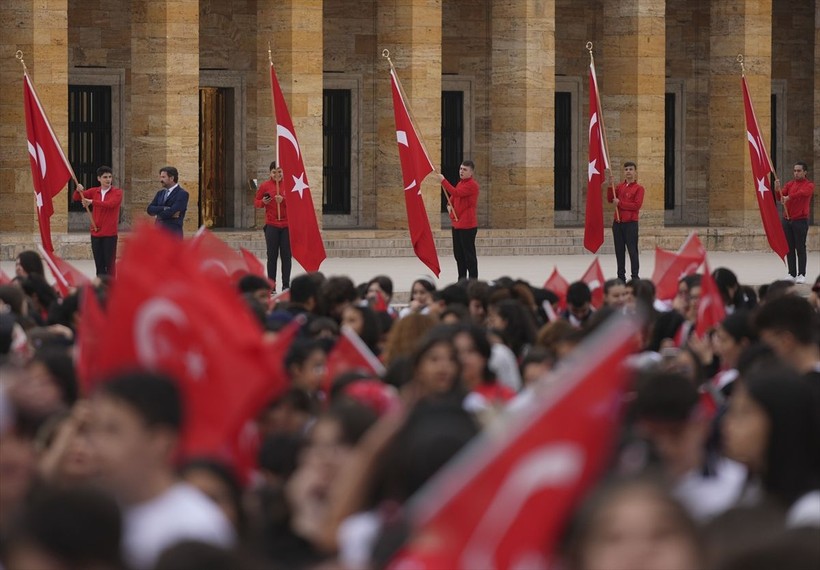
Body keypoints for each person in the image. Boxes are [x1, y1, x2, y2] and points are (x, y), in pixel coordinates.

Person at [89, 371, 234, 569]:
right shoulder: (92, 516)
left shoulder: (196, 528)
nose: (96, 445)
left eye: (112, 430)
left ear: (160, 442)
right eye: (93, 429)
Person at [73, 166, 123, 276]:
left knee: (109, 265)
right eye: (105, 177)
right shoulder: (94, 191)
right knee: (99, 264)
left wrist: (91, 201)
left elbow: (111, 204)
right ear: (99, 178)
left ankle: (110, 289)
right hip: (96, 232)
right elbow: (77, 197)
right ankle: (100, 288)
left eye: (110, 177)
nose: (108, 180)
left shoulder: (117, 192)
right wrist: (78, 190)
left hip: (110, 234)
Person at [438, 160, 480, 280]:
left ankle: (472, 281)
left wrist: (443, 181)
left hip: (467, 225)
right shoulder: (461, 183)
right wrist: (449, 204)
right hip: (457, 224)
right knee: (459, 255)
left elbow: (456, 192)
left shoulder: (472, 185)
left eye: (465, 169)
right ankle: (462, 279)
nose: (461, 171)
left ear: (471, 172)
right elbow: (453, 196)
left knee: (469, 256)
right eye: (461, 168)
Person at [775, 161, 814, 283]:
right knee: (789, 248)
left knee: (800, 248)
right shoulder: (790, 184)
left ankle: (801, 274)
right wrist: (777, 189)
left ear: (805, 172)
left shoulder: (809, 185)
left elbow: (802, 194)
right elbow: (780, 196)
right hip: (787, 220)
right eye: (795, 171)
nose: (796, 173)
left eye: (799, 171)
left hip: (800, 221)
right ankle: (791, 273)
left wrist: (789, 197)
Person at [254, 162, 291, 291]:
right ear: (270, 173)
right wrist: (263, 202)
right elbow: (256, 202)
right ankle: (271, 285)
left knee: (286, 256)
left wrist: (284, 200)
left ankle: (286, 285)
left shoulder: (289, 185)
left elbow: (296, 203)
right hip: (272, 225)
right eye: (274, 172)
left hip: (286, 225)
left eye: (279, 171)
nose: (277, 174)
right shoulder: (265, 186)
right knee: (272, 256)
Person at [606, 161, 645, 282]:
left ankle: (634, 276)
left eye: (631, 169)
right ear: (624, 172)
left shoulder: (639, 188)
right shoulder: (619, 187)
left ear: (635, 172)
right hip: (618, 223)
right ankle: (621, 276)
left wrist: (620, 203)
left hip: (631, 224)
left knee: (632, 250)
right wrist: (609, 185)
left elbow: (636, 205)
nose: (628, 171)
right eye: (626, 169)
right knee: (619, 250)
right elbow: (610, 199)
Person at [146, 166, 188, 238]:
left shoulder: (182, 194)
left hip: (173, 235)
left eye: (163, 177)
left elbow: (173, 211)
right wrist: (165, 208)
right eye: (160, 177)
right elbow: (149, 209)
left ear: (171, 178)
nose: (161, 180)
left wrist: (157, 214)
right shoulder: (160, 193)